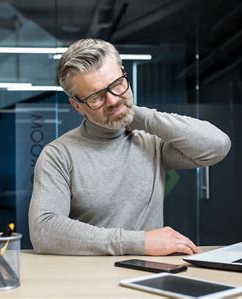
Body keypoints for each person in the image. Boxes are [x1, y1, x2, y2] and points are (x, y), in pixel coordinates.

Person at [29, 38, 231, 256]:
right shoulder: (58, 155)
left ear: (125, 75)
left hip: (150, 274)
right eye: (96, 96)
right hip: (90, 279)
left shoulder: (152, 141)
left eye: (117, 84)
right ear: (77, 105)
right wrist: (139, 242)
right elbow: (44, 230)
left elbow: (217, 146)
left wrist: (137, 115)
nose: (113, 100)